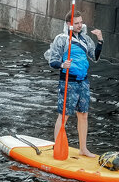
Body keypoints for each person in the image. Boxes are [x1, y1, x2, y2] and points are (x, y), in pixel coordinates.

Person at [44, 9, 103, 156]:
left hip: (83, 82)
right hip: (68, 82)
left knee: (83, 115)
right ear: (69, 24)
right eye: (76, 23)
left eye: (81, 22)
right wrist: (63, 65)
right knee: (64, 115)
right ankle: (58, 146)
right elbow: (53, 61)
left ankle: (83, 149)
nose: (79, 25)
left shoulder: (84, 39)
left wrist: (100, 40)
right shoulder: (62, 39)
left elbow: (94, 57)